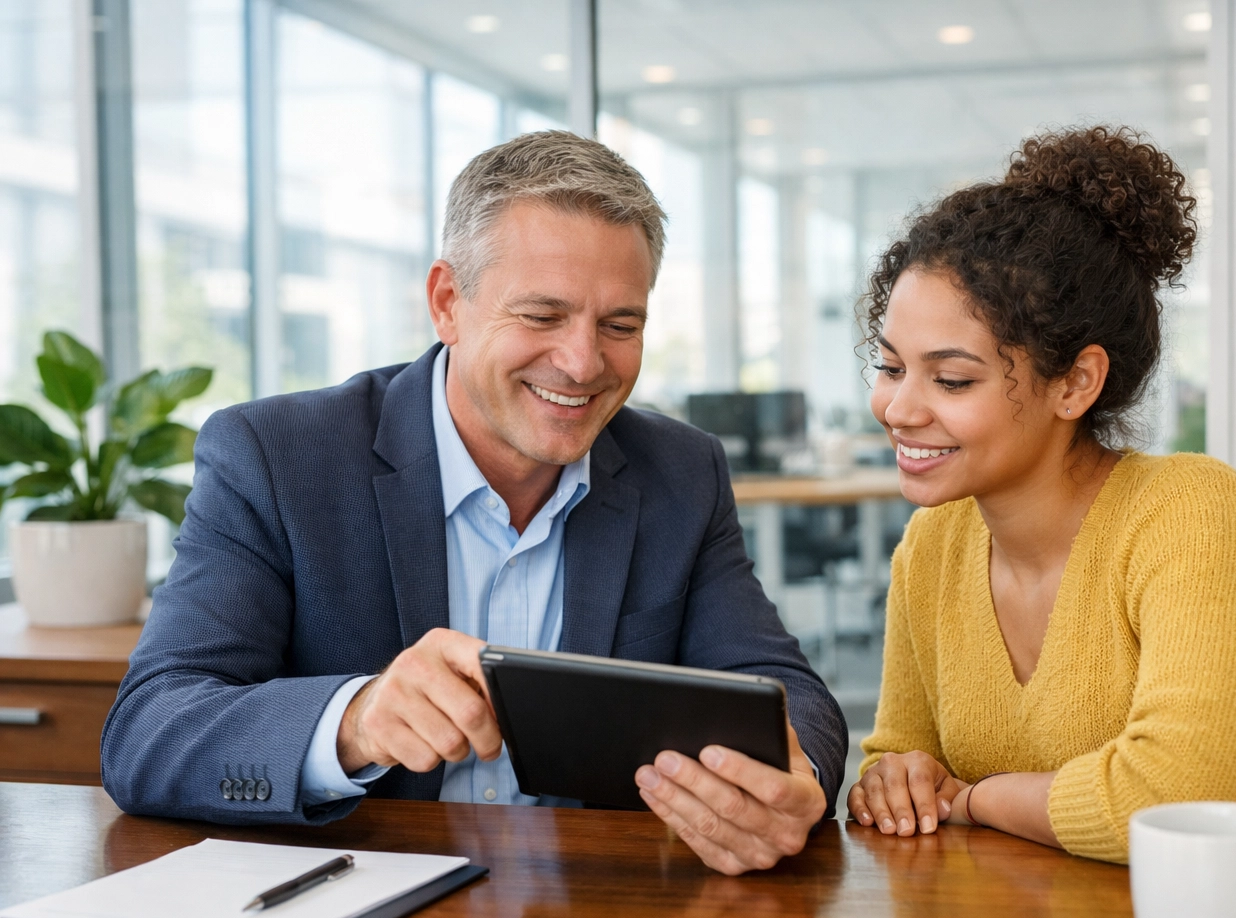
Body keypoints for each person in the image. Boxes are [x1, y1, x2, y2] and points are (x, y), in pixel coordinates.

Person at [101, 131, 846, 876]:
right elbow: (149, 732)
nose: (583, 363)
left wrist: (793, 782)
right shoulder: (275, 456)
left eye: (620, 325)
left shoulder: (680, 472)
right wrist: (355, 722)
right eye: (541, 316)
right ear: (447, 302)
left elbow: (791, 699)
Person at [846, 125, 1236, 863]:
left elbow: (1179, 799)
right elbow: (895, 762)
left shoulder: (1189, 513)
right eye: (891, 366)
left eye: (952, 379)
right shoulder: (931, 548)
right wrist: (892, 782)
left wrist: (975, 797)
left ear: (1076, 383)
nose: (898, 408)